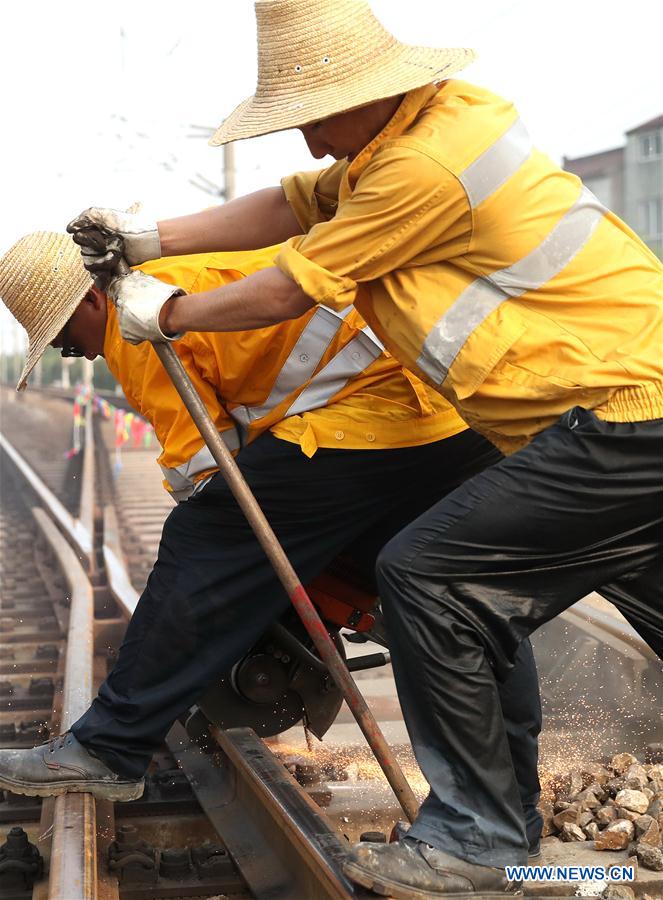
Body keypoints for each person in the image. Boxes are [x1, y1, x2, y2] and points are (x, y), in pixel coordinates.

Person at [66, 0, 663, 895]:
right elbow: (288, 204)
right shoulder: (408, 135)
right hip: (609, 416)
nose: (306, 141)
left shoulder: (419, 167)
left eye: (311, 116)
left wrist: (166, 312)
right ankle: (498, 830)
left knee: (428, 573)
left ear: (369, 92)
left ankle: (479, 839)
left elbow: (288, 289)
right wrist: (155, 238)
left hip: (625, 417)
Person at [0, 232, 544, 855]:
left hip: (370, 413)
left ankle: (109, 747)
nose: (76, 352)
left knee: (203, 540)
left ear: (92, 299)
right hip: (448, 411)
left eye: (65, 333)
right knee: (457, 597)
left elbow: (208, 471)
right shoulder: (185, 270)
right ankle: (512, 814)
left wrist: (229, 588)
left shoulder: (135, 320)